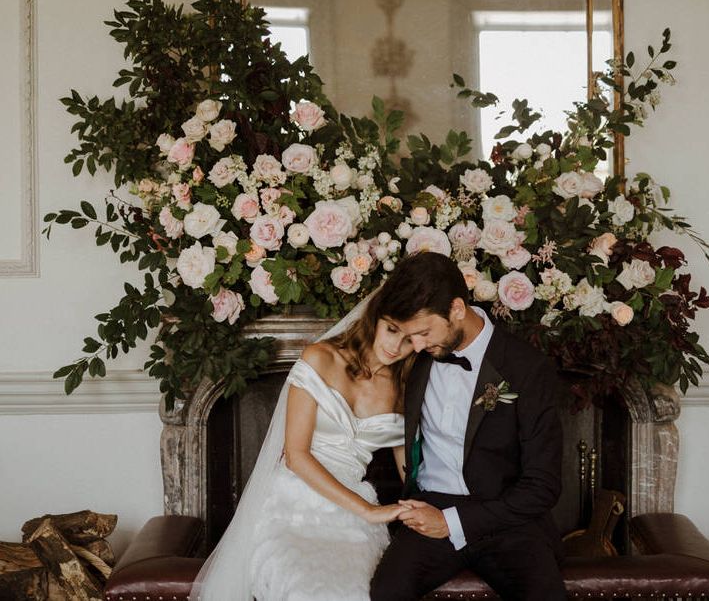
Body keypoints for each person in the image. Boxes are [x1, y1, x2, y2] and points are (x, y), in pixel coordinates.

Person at [190, 287, 415, 601]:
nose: (396, 346)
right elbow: (296, 456)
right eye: (392, 329)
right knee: (303, 588)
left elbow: (412, 474)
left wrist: (437, 512)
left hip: (351, 521)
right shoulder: (320, 358)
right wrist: (369, 510)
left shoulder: (405, 388)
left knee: (357, 592)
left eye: (408, 339)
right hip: (292, 503)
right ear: (375, 318)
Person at [370, 251, 567, 601]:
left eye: (424, 332)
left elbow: (543, 486)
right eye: (409, 335)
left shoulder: (527, 368)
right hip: (430, 509)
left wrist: (453, 523)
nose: (414, 346)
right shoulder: (415, 358)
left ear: (457, 309)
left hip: (509, 516)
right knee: (387, 590)